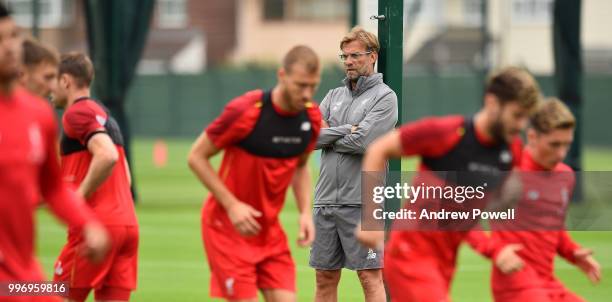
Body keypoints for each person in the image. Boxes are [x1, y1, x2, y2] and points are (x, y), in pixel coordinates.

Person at [357, 67, 541, 302]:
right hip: (410, 255)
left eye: (527, 117)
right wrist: (371, 219)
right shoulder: (447, 133)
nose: (522, 125)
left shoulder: (511, 151)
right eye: (517, 115)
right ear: (492, 102)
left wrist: (507, 203)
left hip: (444, 264)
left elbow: (471, 215)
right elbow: (378, 149)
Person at [188, 45, 321, 302]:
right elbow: (196, 156)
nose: (307, 94)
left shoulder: (311, 119)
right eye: (300, 85)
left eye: (313, 86)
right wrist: (232, 205)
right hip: (227, 229)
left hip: (270, 232)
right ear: (282, 75)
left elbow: (301, 167)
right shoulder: (246, 110)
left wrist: (306, 212)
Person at [0, 4, 108, 301]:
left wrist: (89, 225)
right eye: (1, 40)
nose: (10, 47)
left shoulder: (39, 116)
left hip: (22, 275)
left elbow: (52, 188)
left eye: (13, 37)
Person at [309, 26, 397, 302]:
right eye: (344, 56)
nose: (348, 62)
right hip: (325, 202)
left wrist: (332, 133)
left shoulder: (385, 97)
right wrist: (348, 129)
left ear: (372, 57)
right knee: (324, 278)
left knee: (370, 277)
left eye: (354, 55)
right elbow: (309, 137)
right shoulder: (333, 96)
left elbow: (364, 142)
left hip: (364, 204)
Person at [489, 98, 601, 302]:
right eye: (554, 144)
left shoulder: (565, 176)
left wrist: (572, 251)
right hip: (515, 284)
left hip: (547, 282)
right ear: (532, 136)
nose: (561, 153)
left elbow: (554, 230)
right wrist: (495, 250)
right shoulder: (509, 172)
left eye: (567, 144)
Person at [52, 53, 139, 302]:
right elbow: (126, 177)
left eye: (52, 79)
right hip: (128, 227)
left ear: (66, 81)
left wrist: (78, 198)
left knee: (50, 293)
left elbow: (108, 155)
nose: (49, 88)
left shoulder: (76, 114)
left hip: (96, 226)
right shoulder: (106, 116)